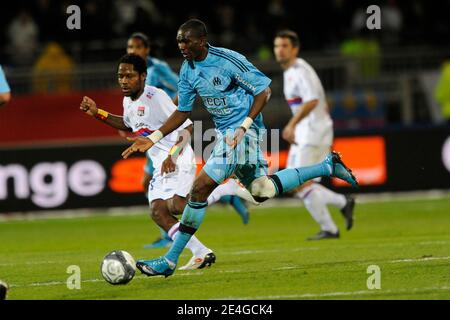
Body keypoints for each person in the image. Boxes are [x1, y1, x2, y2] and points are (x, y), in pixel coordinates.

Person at [121, 19, 358, 278]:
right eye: (179, 41)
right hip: (226, 133)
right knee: (261, 190)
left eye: (186, 41)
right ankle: (327, 165)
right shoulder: (188, 70)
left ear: (201, 40)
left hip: (244, 130)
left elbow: (263, 92)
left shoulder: (228, 60)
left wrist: (244, 126)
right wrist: (154, 137)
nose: (182, 46)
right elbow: (182, 111)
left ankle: (170, 260)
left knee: (200, 188)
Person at [80, 54, 252, 270]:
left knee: (179, 206)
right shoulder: (128, 100)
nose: (123, 80)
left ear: (143, 76)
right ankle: (201, 252)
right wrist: (98, 113)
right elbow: (127, 124)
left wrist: (173, 154)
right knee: (158, 211)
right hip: (160, 162)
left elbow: (187, 126)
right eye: (120, 76)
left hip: (177, 157)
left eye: (129, 76)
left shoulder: (156, 97)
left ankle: (227, 188)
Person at [126, 32, 251, 248]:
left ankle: (220, 195)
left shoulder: (158, 69)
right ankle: (174, 228)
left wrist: (172, 109)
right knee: (153, 187)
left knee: (177, 200)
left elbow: (182, 86)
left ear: (146, 49)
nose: (133, 51)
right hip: (154, 135)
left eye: (137, 47)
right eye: (130, 47)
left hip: (169, 132)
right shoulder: (133, 73)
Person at [273, 30, 356, 240]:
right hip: (307, 131)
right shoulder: (291, 71)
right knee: (293, 184)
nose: (279, 50)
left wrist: (291, 125)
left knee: (299, 183)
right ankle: (342, 205)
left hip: (313, 132)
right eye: (277, 46)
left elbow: (312, 101)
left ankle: (331, 226)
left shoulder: (300, 70)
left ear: (295, 49)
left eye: (284, 46)